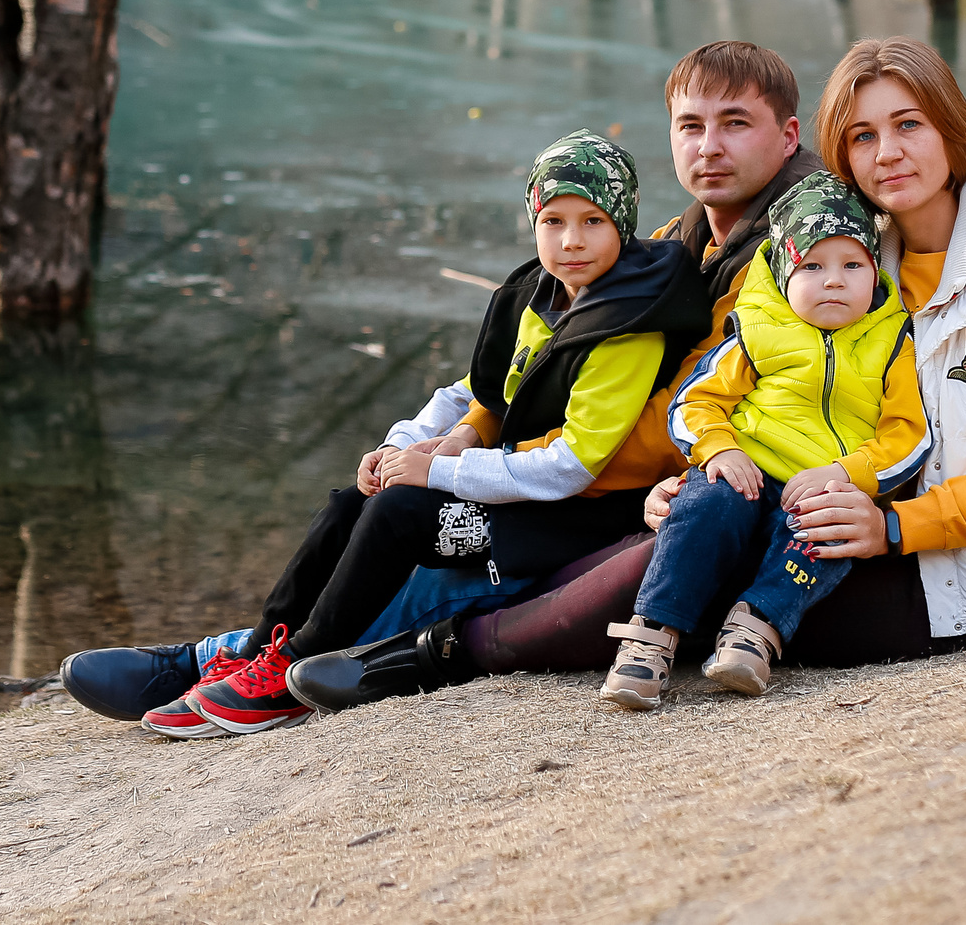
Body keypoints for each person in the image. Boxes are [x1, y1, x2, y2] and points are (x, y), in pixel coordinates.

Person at [297, 34, 966, 704]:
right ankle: (364, 645)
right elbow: (762, 388)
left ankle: (439, 655)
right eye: (864, 135)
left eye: (909, 125)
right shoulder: (846, 266)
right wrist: (699, 463)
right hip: (836, 516)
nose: (887, 153)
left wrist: (893, 524)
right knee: (678, 531)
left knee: (672, 571)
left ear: (952, 128)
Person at [59, 41, 823, 725]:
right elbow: (522, 374)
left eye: (734, 124)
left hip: (616, 497)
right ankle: (234, 654)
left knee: (422, 537)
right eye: (691, 126)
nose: (709, 146)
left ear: (787, 136)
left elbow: (662, 417)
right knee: (369, 504)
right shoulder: (663, 243)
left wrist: (468, 465)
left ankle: (245, 667)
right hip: (557, 472)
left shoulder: (794, 262)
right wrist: (443, 436)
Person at [131, 128, 713, 738]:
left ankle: (294, 670)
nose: (571, 241)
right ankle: (258, 649)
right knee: (351, 502)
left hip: (580, 514)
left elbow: (573, 465)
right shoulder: (547, 297)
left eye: (593, 221)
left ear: (623, 224)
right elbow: (474, 391)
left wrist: (433, 471)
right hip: (532, 485)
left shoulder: (628, 328)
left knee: (403, 513)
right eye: (554, 221)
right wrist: (401, 445)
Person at [596, 170, 925, 710]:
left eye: (851, 265)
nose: (834, 281)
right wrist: (719, 450)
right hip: (746, 468)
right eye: (812, 266)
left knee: (828, 532)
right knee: (706, 502)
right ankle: (651, 634)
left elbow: (908, 436)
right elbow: (694, 404)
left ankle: (755, 630)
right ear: (781, 270)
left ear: (874, 271)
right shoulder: (754, 332)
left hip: (821, 484)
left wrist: (848, 476)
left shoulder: (892, 343)